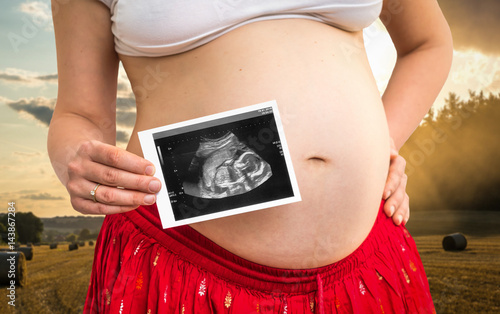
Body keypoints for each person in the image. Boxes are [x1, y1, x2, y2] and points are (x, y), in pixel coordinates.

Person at [48, 0, 452, 312]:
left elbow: (426, 44)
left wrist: (383, 142)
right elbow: (79, 113)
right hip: (183, 261)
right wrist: (78, 162)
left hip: (369, 260)